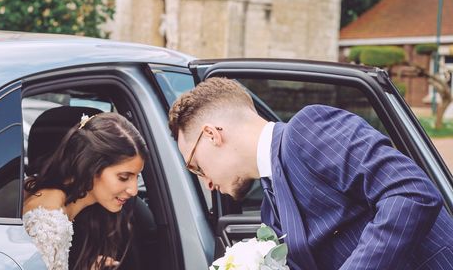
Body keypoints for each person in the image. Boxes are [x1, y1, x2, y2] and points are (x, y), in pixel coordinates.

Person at [168, 77, 453, 270]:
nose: (206, 182)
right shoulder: (271, 210)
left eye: (196, 166)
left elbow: (411, 193)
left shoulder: (309, 129)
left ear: (211, 135)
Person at [23, 112, 148, 270]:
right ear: (91, 166)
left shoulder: (57, 200)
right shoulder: (49, 221)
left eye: (137, 177)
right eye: (123, 177)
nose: (134, 190)